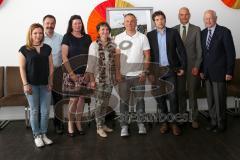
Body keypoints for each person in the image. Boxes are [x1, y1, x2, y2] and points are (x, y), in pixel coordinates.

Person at [147, 10, 186, 136]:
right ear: (154, 22)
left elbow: (181, 50)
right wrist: (150, 73)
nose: (160, 21)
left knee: (173, 96)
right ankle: (165, 123)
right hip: (157, 72)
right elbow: (149, 55)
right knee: (160, 98)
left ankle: (174, 123)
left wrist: (182, 67)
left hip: (170, 70)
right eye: (157, 19)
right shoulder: (150, 35)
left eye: (162, 19)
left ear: (165, 20)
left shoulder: (173, 33)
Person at [115, 13, 150, 137]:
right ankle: (124, 126)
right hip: (124, 76)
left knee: (140, 101)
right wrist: (117, 72)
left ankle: (141, 124)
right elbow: (117, 58)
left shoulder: (143, 38)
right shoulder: (118, 37)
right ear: (124, 23)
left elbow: (147, 56)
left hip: (139, 76)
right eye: (127, 21)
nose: (130, 23)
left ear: (136, 22)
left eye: (132, 21)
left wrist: (145, 72)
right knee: (124, 102)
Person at [200, 10, 236, 133]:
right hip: (207, 73)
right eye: (206, 18)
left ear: (216, 18)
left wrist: (229, 72)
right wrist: (201, 70)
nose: (208, 21)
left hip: (221, 73)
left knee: (220, 100)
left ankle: (221, 123)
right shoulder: (203, 33)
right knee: (210, 100)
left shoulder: (224, 32)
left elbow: (231, 54)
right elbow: (203, 54)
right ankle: (213, 121)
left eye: (210, 18)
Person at [19, 23, 54, 147]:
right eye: (35, 33)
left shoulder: (47, 48)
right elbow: (22, 68)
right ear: (30, 34)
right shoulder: (24, 49)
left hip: (45, 85)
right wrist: (25, 84)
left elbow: (51, 66)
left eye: (40, 33)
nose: (38, 35)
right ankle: (37, 135)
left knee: (45, 111)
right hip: (31, 85)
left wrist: (50, 82)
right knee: (34, 111)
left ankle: (44, 134)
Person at [62, 15, 92, 137]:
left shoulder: (87, 37)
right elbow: (64, 57)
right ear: (71, 25)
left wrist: (89, 73)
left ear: (82, 24)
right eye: (75, 23)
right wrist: (72, 74)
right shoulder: (67, 37)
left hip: (84, 74)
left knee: (81, 100)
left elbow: (91, 56)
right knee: (73, 100)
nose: (77, 25)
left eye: (79, 23)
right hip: (71, 74)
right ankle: (70, 123)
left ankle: (79, 123)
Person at [173, 7, 202, 128]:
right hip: (179, 68)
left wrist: (197, 66)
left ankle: (194, 118)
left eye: (186, 15)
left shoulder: (196, 29)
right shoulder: (173, 30)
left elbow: (200, 50)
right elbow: (172, 51)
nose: (184, 17)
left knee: (192, 93)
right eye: (181, 15)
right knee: (180, 93)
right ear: (178, 16)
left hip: (192, 67)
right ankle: (182, 117)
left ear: (189, 15)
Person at [86, 22, 115, 138]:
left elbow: (114, 62)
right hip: (98, 79)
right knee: (99, 103)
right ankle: (98, 127)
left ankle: (103, 125)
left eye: (107, 29)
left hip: (109, 78)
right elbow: (90, 63)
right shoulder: (93, 45)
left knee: (105, 103)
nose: (105, 31)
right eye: (102, 29)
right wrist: (92, 80)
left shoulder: (113, 45)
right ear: (98, 31)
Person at [43, 14, 64, 134]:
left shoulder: (60, 38)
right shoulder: (39, 37)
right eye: (47, 23)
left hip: (57, 72)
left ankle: (58, 124)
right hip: (42, 73)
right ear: (44, 24)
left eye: (52, 23)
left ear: (55, 24)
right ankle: (42, 127)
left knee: (58, 100)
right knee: (43, 101)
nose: (50, 25)